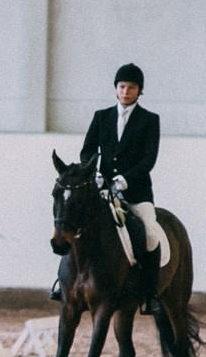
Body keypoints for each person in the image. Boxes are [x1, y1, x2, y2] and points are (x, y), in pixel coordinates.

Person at [52, 63, 164, 315]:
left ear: (139, 91)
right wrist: (97, 174)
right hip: (102, 188)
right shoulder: (101, 117)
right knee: (76, 223)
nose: (126, 92)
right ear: (116, 88)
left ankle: (150, 294)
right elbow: (87, 150)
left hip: (136, 192)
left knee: (150, 234)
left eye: (131, 87)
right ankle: (64, 283)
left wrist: (125, 179)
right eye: (122, 86)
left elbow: (149, 159)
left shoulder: (149, 120)